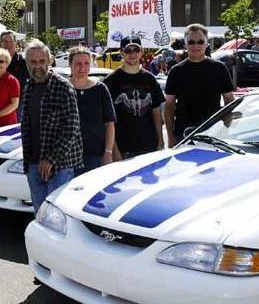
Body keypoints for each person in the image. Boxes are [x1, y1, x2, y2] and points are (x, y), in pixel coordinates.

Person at [21, 39, 83, 213]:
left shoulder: (63, 87)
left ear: (49, 61)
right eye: (33, 62)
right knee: (40, 215)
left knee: (58, 217)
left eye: (42, 61)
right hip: (33, 162)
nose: (38, 66)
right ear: (27, 63)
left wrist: (50, 159)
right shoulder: (29, 86)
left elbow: (72, 128)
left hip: (59, 166)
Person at [164, 23, 234, 147]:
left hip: (213, 135)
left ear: (206, 44)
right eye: (191, 42)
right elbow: (169, 107)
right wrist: (170, 136)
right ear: (185, 44)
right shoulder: (175, 71)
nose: (196, 45)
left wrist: (227, 131)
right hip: (183, 136)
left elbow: (229, 101)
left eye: (200, 41)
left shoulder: (219, 68)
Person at [103, 35, 165, 160]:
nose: (132, 54)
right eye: (128, 50)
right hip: (123, 147)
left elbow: (156, 112)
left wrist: (160, 141)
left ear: (141, 51)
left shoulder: (150, 79)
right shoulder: (110, 81)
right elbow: (106, 120)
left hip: (149, 146)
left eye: (136, 50)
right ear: (121, 52)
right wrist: (114, 150)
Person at [69, 46, 116, 176]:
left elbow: (110, 123)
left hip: (96, 156)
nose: (82, 68)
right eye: (78, 63)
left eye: (86, 63)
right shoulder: (62, 88)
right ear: (70, 65)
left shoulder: (101, 89)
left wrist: (108, 152)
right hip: (67, 158)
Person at [0, 30, 30, 120]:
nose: (8, 44)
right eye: (5, 41)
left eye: (11, 41)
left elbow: (33, 80)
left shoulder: (23, 61)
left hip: (18, 105)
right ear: (1, 43)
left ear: (15, 43)